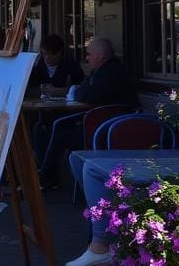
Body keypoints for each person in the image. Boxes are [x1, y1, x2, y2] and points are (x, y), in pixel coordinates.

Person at [37, 37, 134, 189]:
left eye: (88, 54)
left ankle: (44, 176)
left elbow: (85, 94)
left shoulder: (111, 72)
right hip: (100, 122)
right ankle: (45, 174)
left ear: (100, 56)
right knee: (46, 126)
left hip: (108, 130)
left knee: (59, 129)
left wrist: (79, 90)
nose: (86, 58)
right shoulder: (101, 71)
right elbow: (82, 88)